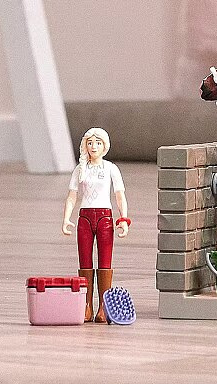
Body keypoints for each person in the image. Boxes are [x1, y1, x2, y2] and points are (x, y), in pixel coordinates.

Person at [61, 127, 131, 322]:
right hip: (85, 217)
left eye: (98, 143)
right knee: (84, 262)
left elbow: (120, 196)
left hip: (104, 218)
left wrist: (124, 219)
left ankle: (103, 306)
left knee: (105, 262)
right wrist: (66, 218)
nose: (94, 147)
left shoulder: (110, 168)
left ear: (104, 146)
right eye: (90, 143)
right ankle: (86, 305)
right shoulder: (80, 169)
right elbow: (72, 196)